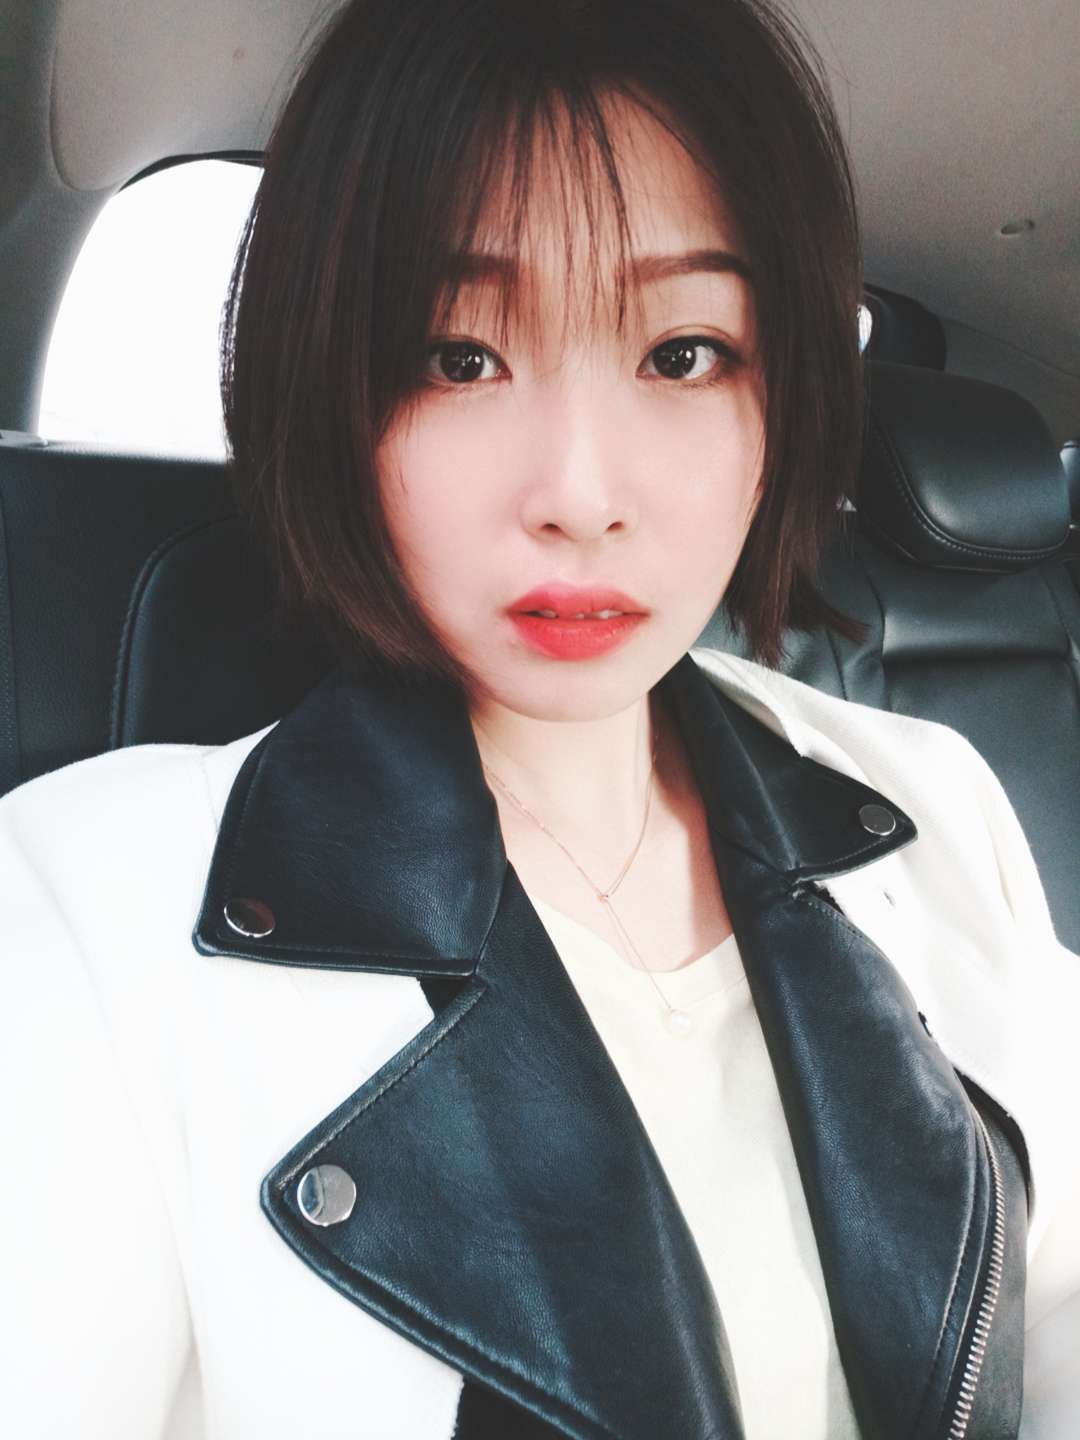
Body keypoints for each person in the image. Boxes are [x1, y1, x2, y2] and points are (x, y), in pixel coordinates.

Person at [2, 0, 1078, 1436]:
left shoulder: (934, 805)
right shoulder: (82, 906)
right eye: (461, 356)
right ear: (334, 393)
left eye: (682, 353)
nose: (579, 492)